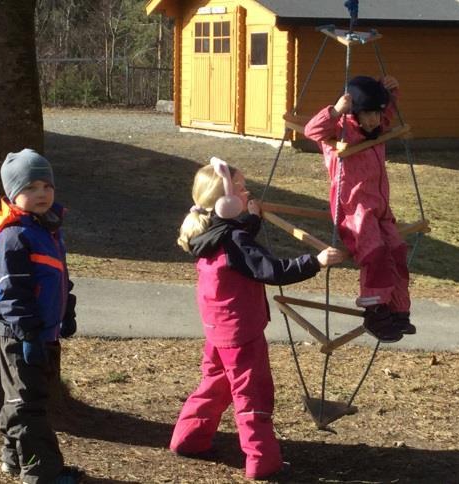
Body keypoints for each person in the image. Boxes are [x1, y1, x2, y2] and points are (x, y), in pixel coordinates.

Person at [170, 157, 344, 480]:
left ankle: (188, 438)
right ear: (224, 202)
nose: (247, 191)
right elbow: (271, 270)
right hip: (242, 334)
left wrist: (251, 217)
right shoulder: (235, 242)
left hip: (217, 332)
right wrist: (316, 261)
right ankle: (263, 463)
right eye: (240, 188)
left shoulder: (206, 232)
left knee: (215, 385)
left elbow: (239, 238)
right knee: (253, 396)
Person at [0, 148, 82, 484]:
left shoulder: (47, 229)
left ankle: (13, 458)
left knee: (27, 395)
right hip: (19, 334)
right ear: (13, 194)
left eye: (46, 186)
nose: (41, 193)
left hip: (44, 331)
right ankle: (42, 472)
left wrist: (66, 311)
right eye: (30, 188)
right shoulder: (14, 237)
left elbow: (58, 278)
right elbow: (11, 293)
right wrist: (26, 334)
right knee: (28, 403)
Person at [304, 75, 416, 343]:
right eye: (368, 115)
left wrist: (390, 90)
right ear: (355, 113)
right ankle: (375, 312)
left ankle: (397, 309)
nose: (374, 121)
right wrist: (335, 111)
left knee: (397, 252)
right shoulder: (341, 132)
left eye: (377, 114)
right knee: (375, 255)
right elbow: (311, 130)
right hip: (354, 210)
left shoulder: (376, 128)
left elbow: (386, 110)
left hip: (380, 208)